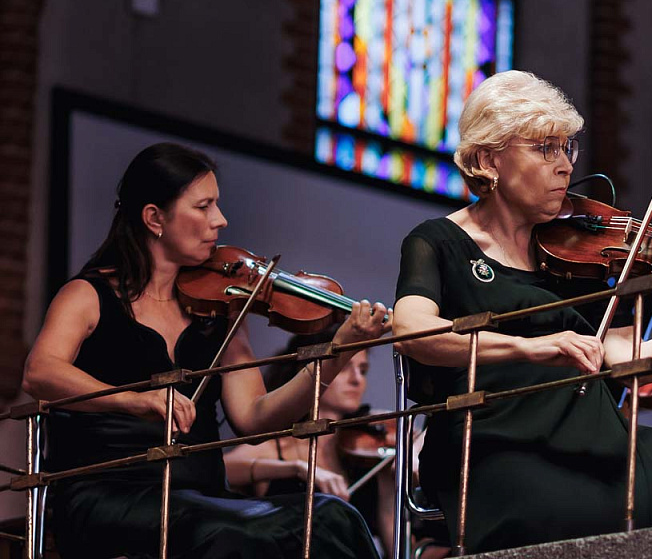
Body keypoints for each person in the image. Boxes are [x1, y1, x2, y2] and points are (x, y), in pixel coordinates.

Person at [391, 70, 652, 553]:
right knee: (572, 511)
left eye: (567, 149)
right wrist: (531, 347)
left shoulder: (578, 254)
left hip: (590, 429)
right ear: (488, 159)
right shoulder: (438, 242)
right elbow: (411, 331)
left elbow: (633, 360)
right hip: (494, 434)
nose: (565, 165)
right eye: (545, 149)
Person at [22, 143, 391, 559]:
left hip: (202, 497)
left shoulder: (221, 309)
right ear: (154, 218)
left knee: (333, 518)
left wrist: (339, 351)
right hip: (107, 493)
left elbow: (255, 418)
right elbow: (40, 373)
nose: (221, 219)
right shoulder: (88, 295)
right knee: (228, 533)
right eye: (204, 206)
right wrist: (134, 400)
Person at [224, 346, 398, 556]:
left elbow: (394, 549)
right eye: (344, 368)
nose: (357, 379)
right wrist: (296, 469)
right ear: (311, 372)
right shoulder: (277, 447)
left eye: (363, 370)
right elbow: (222, 468)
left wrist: (390, 486)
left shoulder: (368, 453)